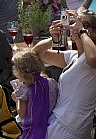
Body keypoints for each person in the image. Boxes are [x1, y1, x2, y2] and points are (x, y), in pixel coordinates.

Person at [32, 9, 96, 138]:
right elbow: (35, 54)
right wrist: (54, 38)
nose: (76, 26)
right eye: (74, 23)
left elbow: (92, 58)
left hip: (71, 129)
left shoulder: (92, 56)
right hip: (57, 122)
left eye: (85, 25)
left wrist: (82, 31)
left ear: (94, 32)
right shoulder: (73, 56)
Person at [10, 50, 58, 139]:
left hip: (28, 126)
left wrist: (17, 100)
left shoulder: (23, 90)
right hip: (47, 121)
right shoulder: (51, 83)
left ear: (19, 72)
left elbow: (22, 114)